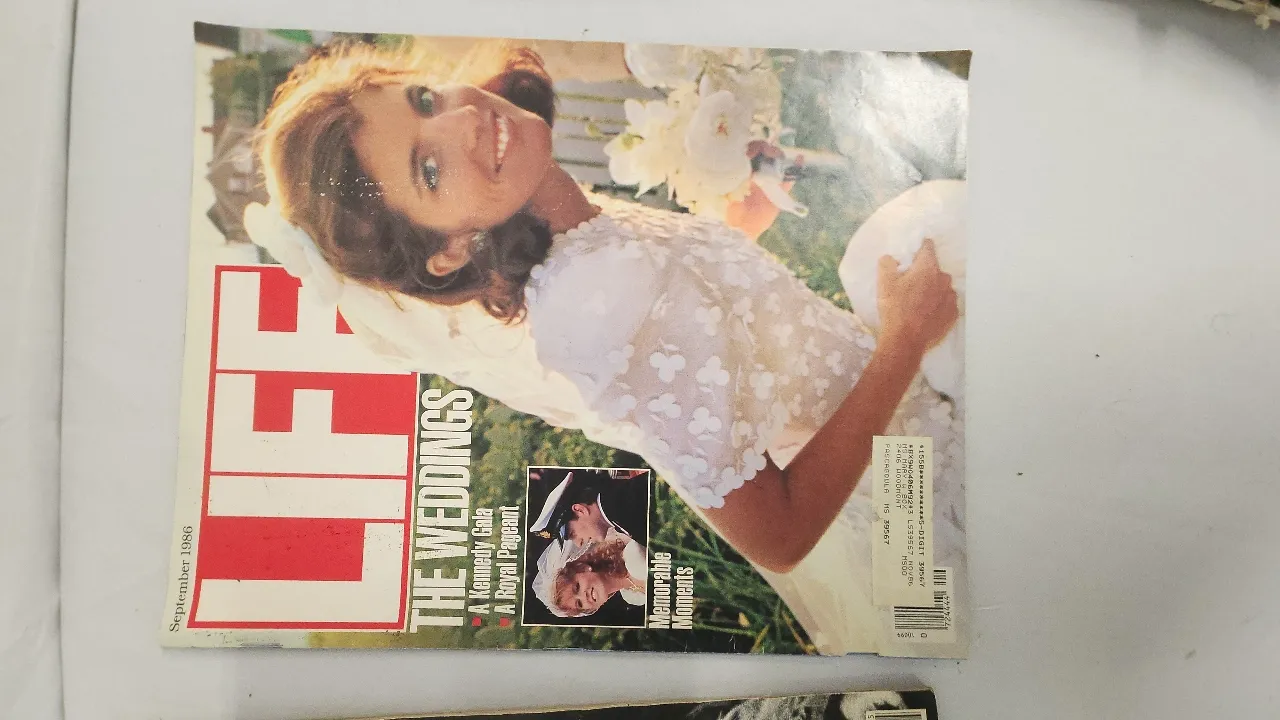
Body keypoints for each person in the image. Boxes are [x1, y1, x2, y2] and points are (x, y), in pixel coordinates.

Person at [248, 41, 964, 653]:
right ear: (449, 250)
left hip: (903, 416)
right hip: (915, 472)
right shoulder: (593, 307)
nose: (464, 120)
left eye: (424, 100)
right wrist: (904, 339)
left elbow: (685, 324)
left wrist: (735, 228)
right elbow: (779, 535)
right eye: (428, 170)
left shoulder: (563, 223)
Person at [532, 535, 647, 619]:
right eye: (579, 604)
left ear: (582, 568)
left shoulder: (634, 557)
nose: (584, 596)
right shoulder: (631, 597)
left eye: (577, 587)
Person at [528, 469, 649, 547]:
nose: (579, 544)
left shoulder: (629, 503)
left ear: (580, 510)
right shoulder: (618, 513)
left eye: (572, 533)